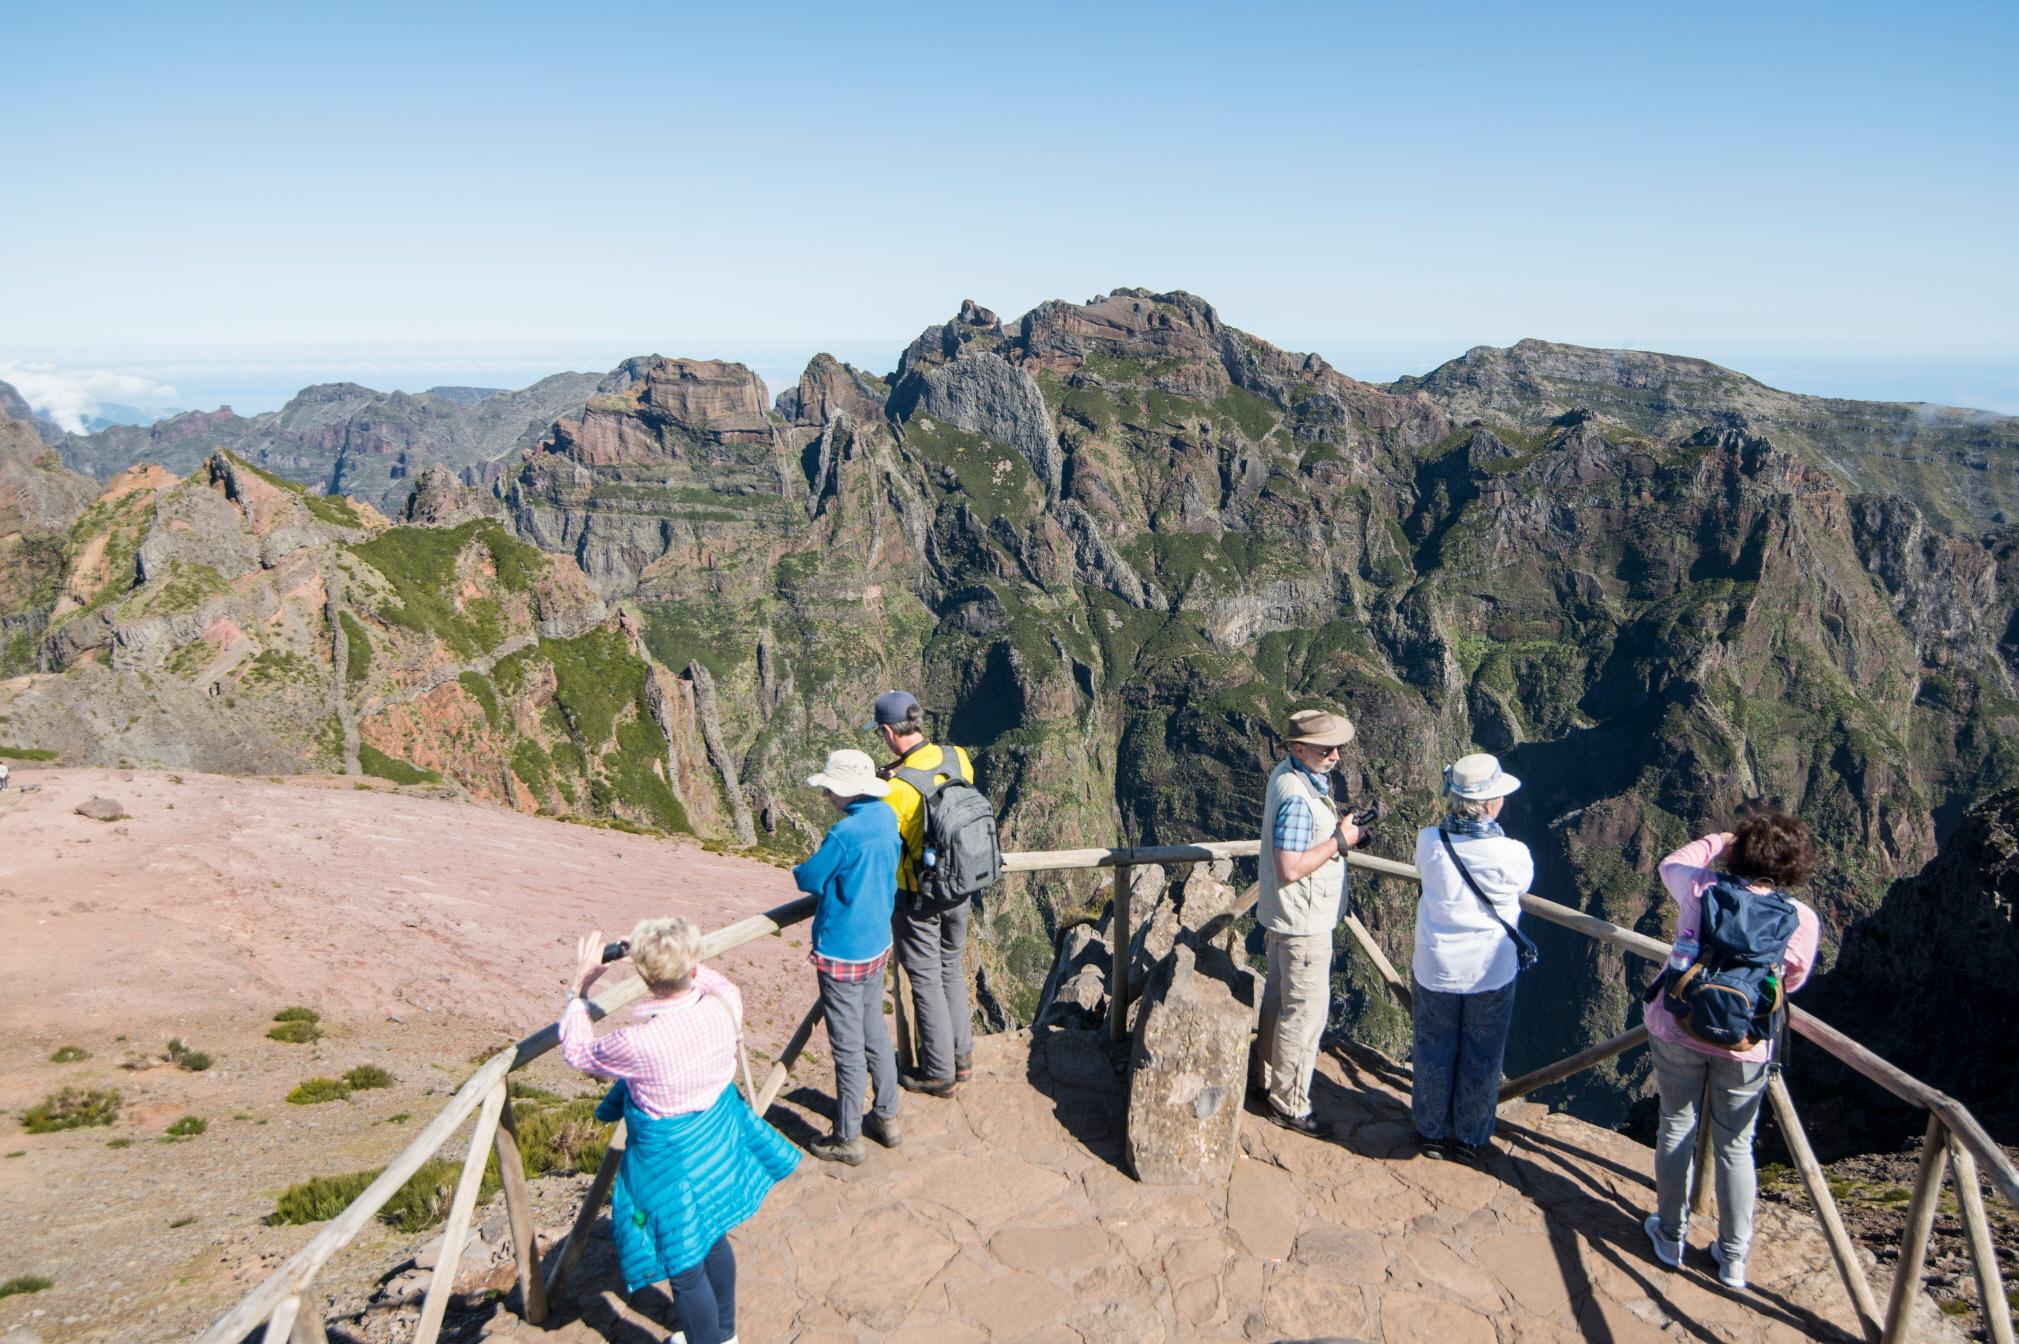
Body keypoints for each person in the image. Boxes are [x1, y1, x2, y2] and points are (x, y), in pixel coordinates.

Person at [560, 916, 798, 1344]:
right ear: (691, 966)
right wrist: (668, 952)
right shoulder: (726, 1002)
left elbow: (576, 1052)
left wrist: (580, 988)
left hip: (668, 1162)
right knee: (712, 1237)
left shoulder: (638, 1043)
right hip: (715, 1139)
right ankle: (725, 1335)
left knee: (684, 1266)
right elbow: (708, 978)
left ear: (645, 977)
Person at [1642, 811, 1821, 1291]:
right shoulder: (1801, 919)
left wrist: (1719, 840)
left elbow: (1669, 864)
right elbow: (1794, 980)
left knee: (1675, 1125)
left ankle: (1670, 1235)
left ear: (1739, 853)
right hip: (1745, 1045)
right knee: (1735, 1145)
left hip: (1677, 1026)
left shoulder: (1700, 889)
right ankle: (1734, 1256)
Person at [1410, 752, 1533, 1164]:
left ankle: (1430, 1131)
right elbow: (1521, 886)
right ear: (1492, 803)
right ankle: (1470, 1138)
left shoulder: (1429, 840)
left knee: (1433, 1048)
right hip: (1489, 972)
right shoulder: (1512, 853)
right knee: (1482, 1054)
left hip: (1436, 967)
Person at [1252, 708, 1366, 1137]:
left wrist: (1337, 832)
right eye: (1324, 749)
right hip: (1304, 925)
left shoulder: (1287, 774)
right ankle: (1290, 1104)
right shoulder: (1299, 797)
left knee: (1278, 1005)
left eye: (1336, 747)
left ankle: (1264, 1080)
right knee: (1304, 1016)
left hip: (1285, 917)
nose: (1335, 756)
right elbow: (1290, 866)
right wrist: (1341, 840)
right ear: (1298, 749)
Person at [791, 747, 904, 1164]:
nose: (826, 797)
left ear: (847, 791)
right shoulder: (886, 817)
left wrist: (799, 869)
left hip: (842, 950)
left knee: (847, 1046)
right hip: (877, 941)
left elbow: (811, 878)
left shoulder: (845, 834)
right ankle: (888, 1117)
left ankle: (847, 1138)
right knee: (874, 1028)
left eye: (830, 790)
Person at [867, 689, 977, 1097]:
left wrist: (885, 783)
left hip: (919, 897)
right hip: (962, 884)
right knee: (951, 968)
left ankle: (938, 1072)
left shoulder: (895, 790)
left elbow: (885, 838)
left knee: (926, 980)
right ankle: (962, 1059)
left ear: (887, 731)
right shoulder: (958, 756)